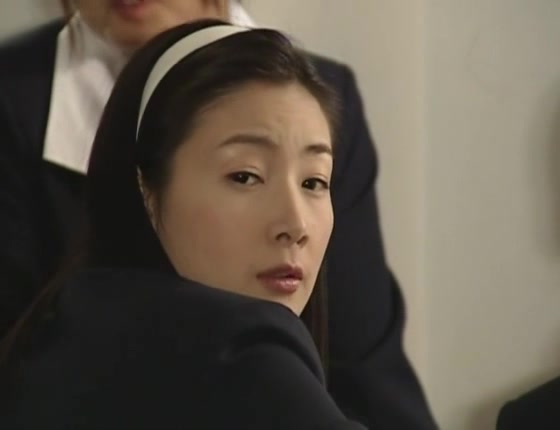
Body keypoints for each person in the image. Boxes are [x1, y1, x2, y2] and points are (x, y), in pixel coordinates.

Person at [0, 1, 437, 428]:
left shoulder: (72, 320)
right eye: (244, 176)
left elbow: (368, 370)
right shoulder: (246, 354)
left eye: (314, 182)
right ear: (146, 188)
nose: (295, 226)